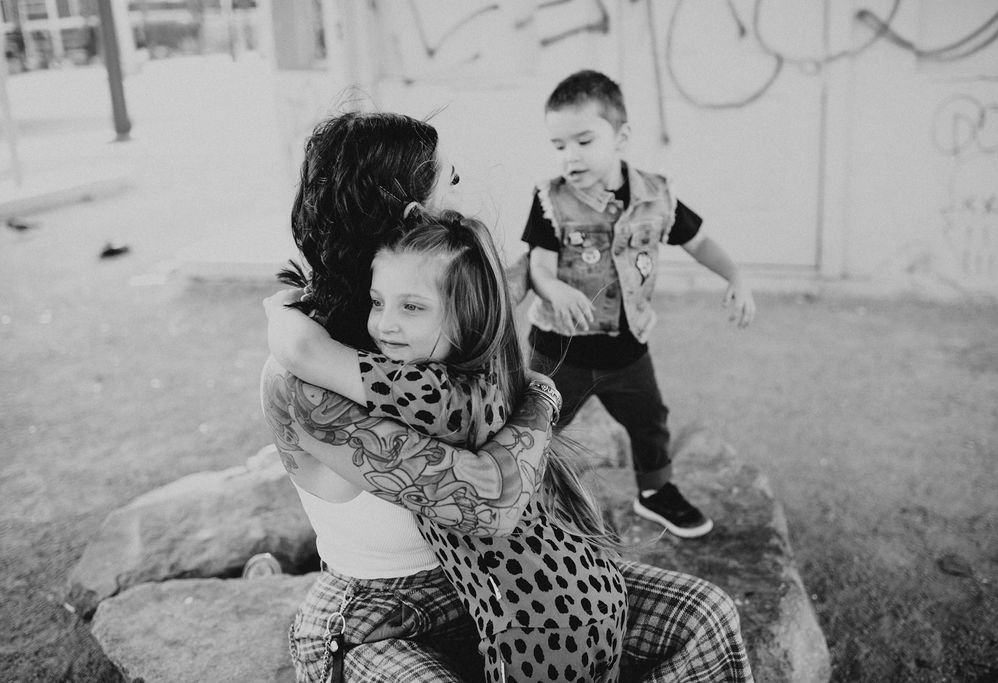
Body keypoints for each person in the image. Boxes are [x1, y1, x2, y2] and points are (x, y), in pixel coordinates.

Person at [262, 109, 753, 682]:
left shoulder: (444, 316)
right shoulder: (308, 376)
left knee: (703, 616)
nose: (462, 197)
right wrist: (541, 399)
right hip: (383, 615)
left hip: (501, 591)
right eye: (452, 180)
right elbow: (490, 504)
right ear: (415, 213)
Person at [521, 70, 756, 539]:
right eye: (559, 145)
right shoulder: (551, 200)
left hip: (629, 348)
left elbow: (700, 241)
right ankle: (529, 501)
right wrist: (555, 288)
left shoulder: (656, 196)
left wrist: (735, 276)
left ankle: (656, 492)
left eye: (584, 140)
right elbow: (539, 266)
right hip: (560, 348)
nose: (570, 156)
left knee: (650, 422)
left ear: (621, 136)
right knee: (538, 429)